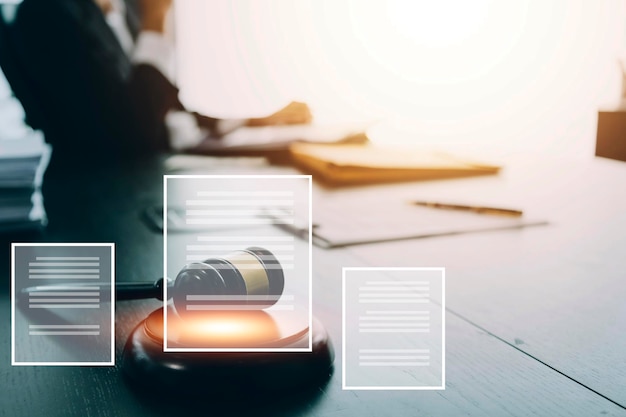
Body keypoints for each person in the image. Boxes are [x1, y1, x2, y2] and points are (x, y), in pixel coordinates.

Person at [10, 0, 311, 172]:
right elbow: (133, 132)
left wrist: (258, 120)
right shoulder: (47, 13)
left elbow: (165, 108)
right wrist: (156, 20)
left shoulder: (124, 10)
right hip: (111, 194)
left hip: (164, 171)